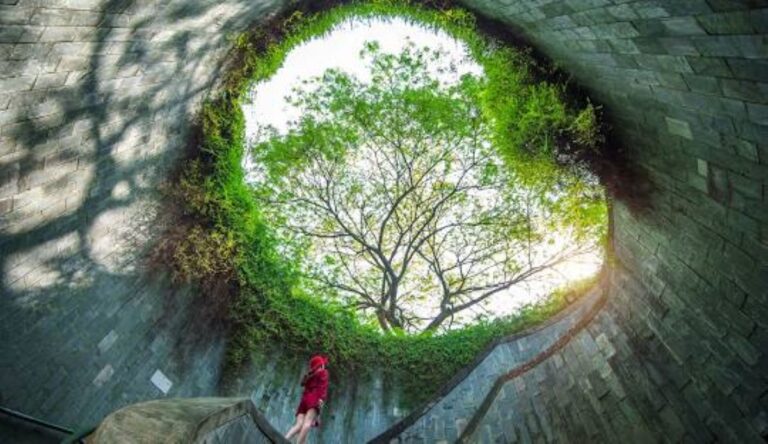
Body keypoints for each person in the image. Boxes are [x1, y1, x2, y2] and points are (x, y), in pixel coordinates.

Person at [285, 354, 329, 444]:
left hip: (304, 401)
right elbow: (322, 387)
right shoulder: (323, 372)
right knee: (307, 424)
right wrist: (321, 399)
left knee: (299, 425)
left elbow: (305, 391)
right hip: (314, 398)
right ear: (321, 365)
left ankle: (285, 439)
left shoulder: (310, 377)